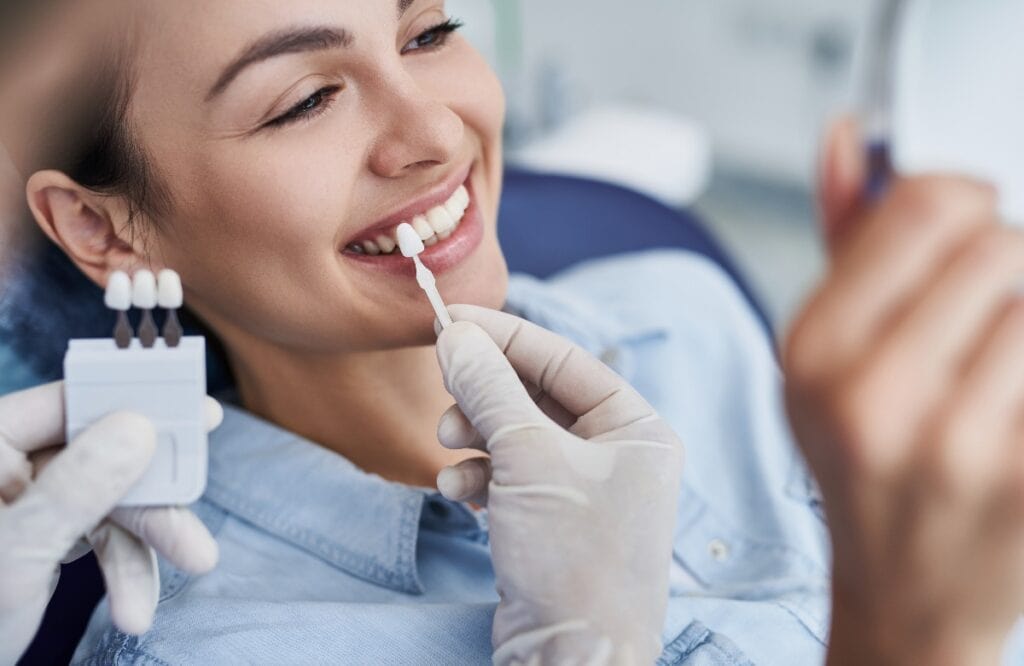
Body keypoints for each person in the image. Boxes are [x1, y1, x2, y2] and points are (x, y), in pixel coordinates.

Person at [4, 1, 1024, 663]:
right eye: (307, 100)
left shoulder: (681, 308)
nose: (436, 133)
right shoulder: (206, 647)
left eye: (428, 34)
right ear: (104, 226)